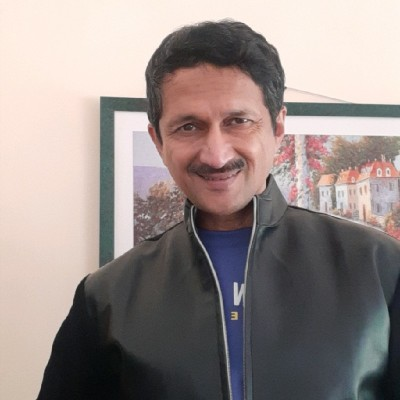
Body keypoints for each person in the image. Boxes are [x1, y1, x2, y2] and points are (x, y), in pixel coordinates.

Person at [37, 20, 400, 400]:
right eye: (188, 127)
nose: (216, 155)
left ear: (277, 127)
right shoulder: (105, 297)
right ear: (158, 140)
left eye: (238, 121)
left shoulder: (381, 268)